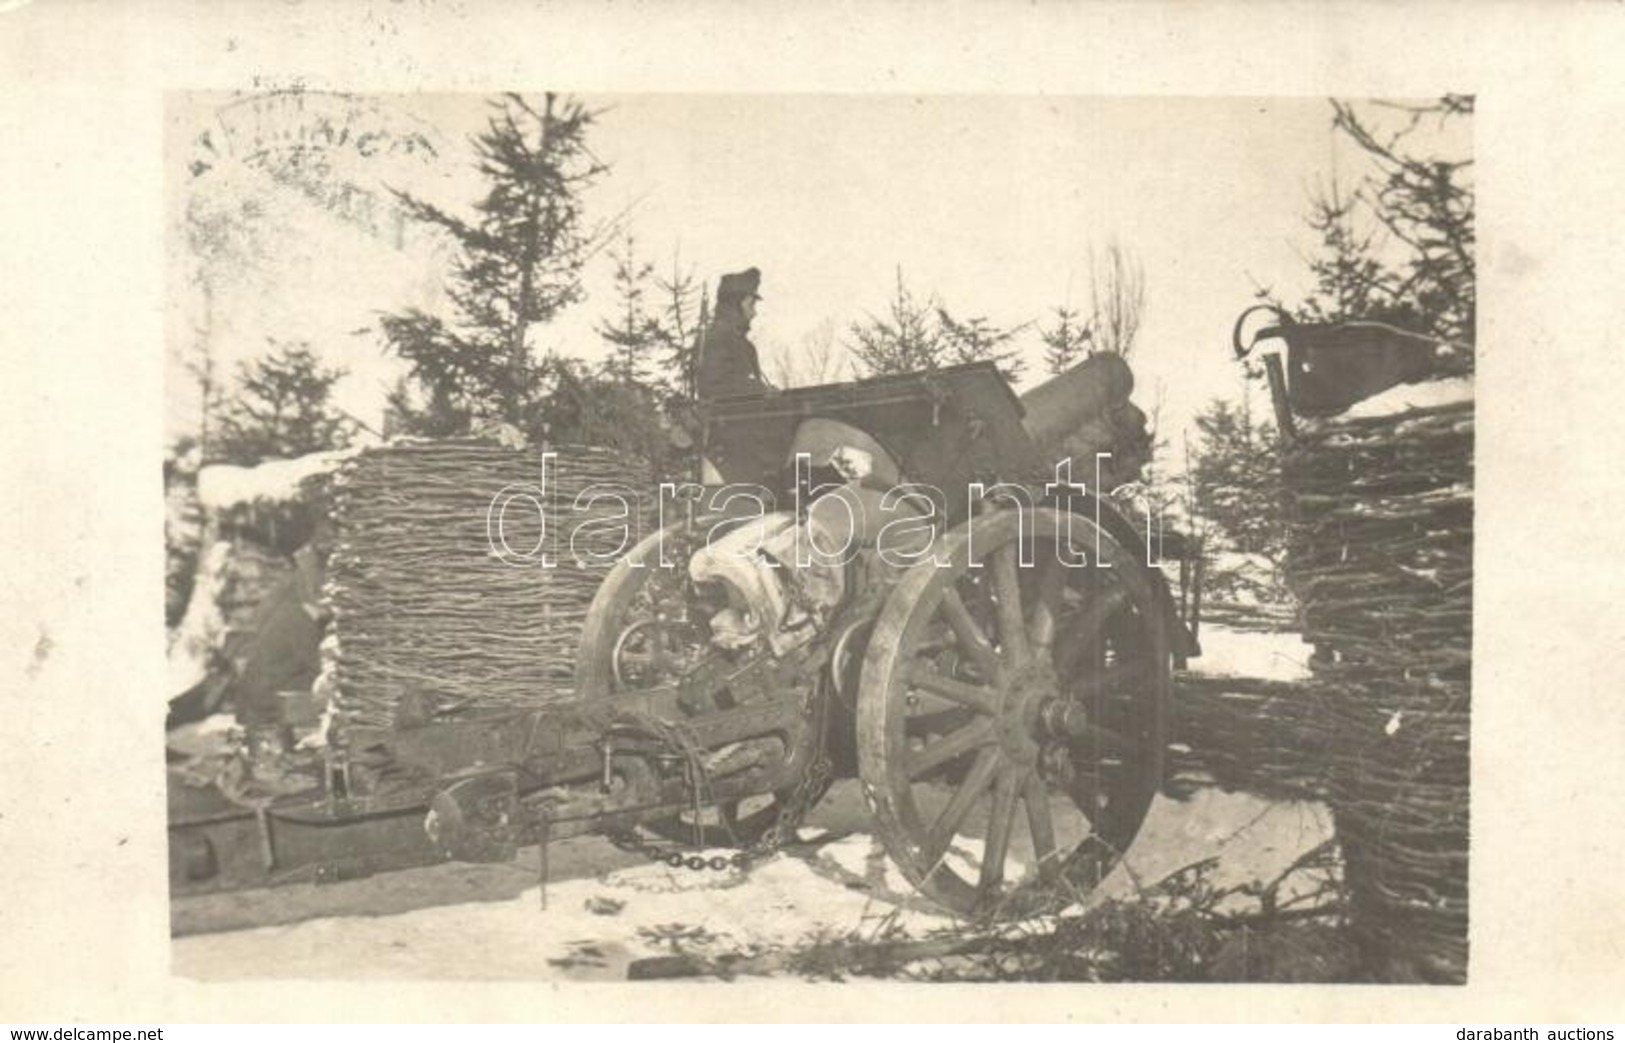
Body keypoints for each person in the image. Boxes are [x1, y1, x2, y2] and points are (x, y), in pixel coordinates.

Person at [695, 267, 770, 400]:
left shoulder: (745, 346)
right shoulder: (717, 339)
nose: (754, 313)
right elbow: (714, 388)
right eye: (750, 305)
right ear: (734, 307)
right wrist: (761, 389)